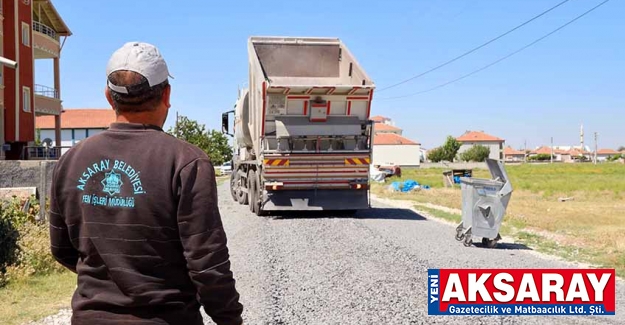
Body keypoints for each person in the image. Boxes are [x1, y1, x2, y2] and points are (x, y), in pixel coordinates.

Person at [49, 42, 244, 325]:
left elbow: (62, 249)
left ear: (108, 96)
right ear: (166, 94)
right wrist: (229, 320)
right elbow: (206, 264)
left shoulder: (72, 160)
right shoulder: (187, 162)